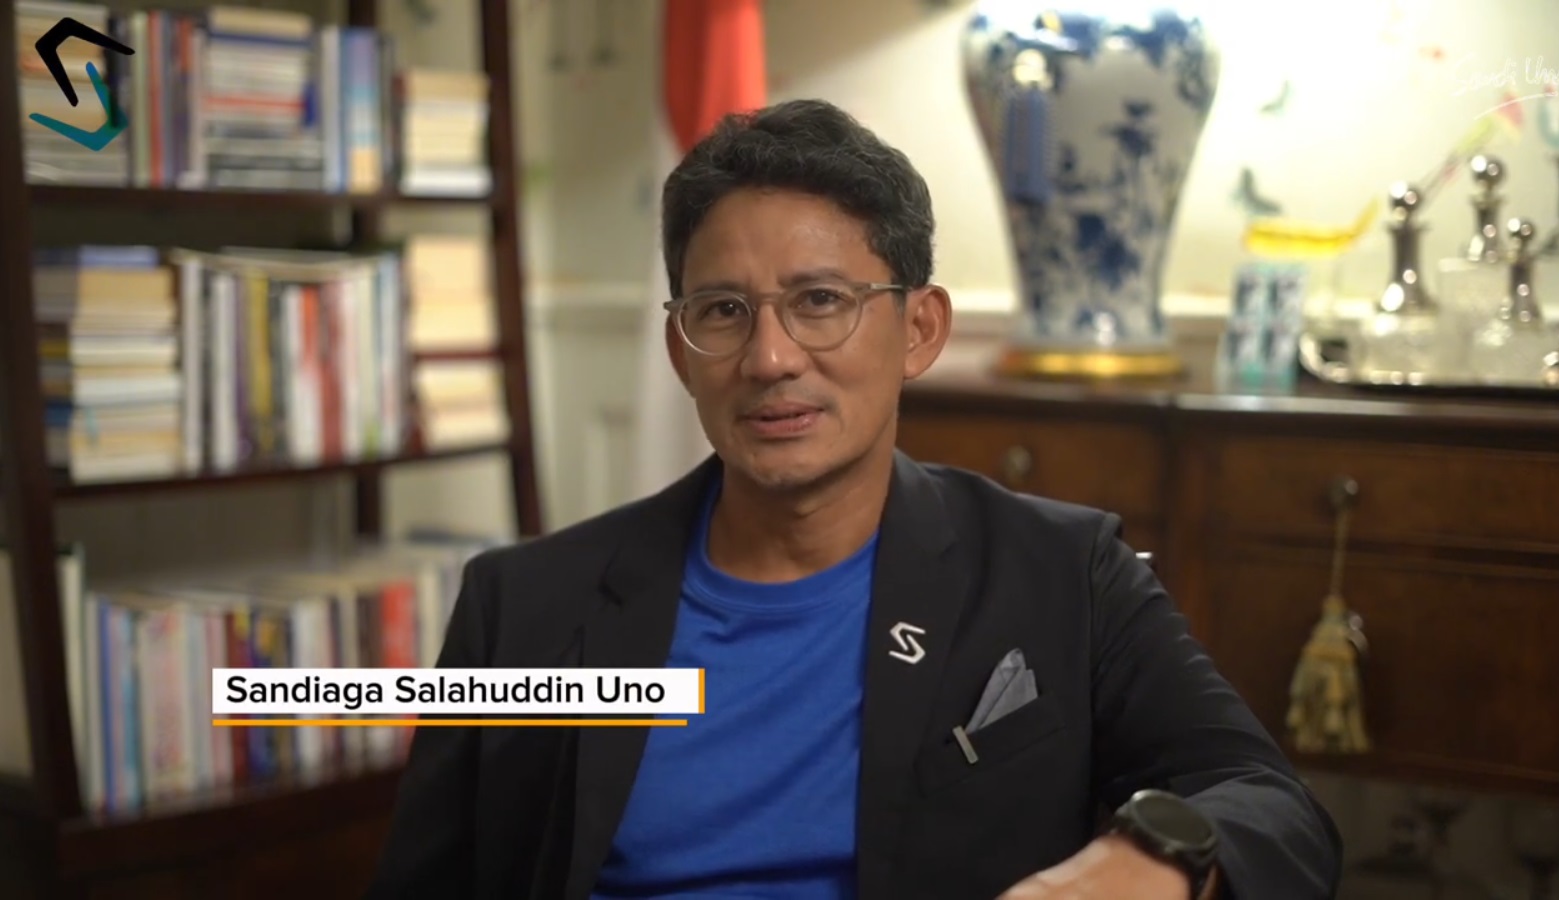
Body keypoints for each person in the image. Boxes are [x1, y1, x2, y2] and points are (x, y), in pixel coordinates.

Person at [367, 98, 1342, 900]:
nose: (770, 358)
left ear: (919, 330)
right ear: (679, 350)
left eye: (821, 301)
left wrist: (1150, 863)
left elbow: (1271, 805)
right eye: (723, 311)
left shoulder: (1060, 575)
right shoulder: (524, 607)